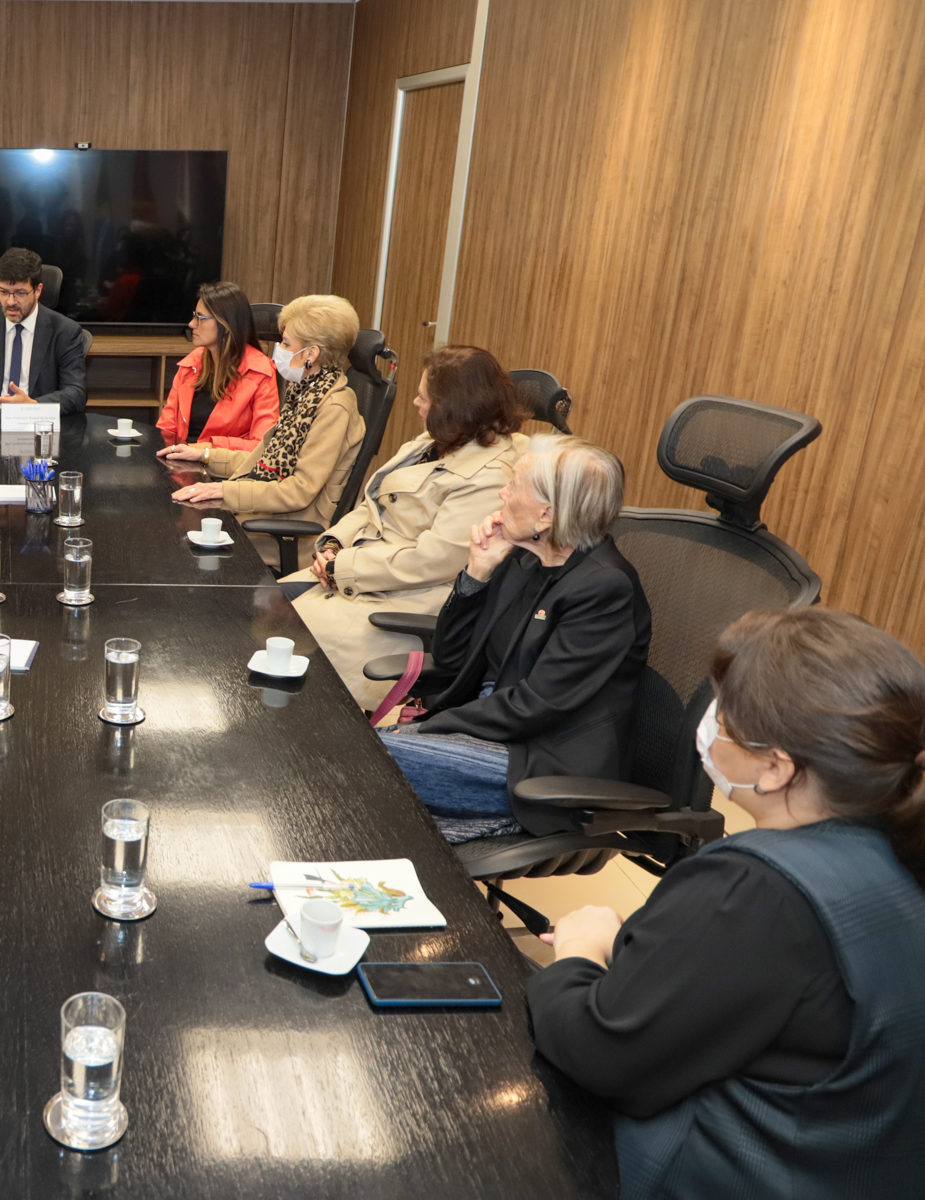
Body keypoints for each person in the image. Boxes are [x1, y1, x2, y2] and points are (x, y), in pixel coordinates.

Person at [530, 607, 925, 1198]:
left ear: (775, 767)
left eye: (726, 712)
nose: (710, 723)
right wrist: (637, 947)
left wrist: (580, 953)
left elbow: (599, 1052)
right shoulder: (894, 855)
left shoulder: (754, 891)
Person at [378, 435, 650, 841]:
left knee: (366, 761)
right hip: (487, 729)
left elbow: (534, 706)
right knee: (361, 772)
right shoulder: (525, 558)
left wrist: (432, 727)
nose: (503, 492)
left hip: (537, 763)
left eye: (515, 485)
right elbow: (453, 658)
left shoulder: (605, 588)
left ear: (547, 515)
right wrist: (476, 573)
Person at [282, 345, 524, 709]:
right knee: (257, 608)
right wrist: (333, 543)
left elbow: (431, 561)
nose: (414, 402)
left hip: (402, 599)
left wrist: (341, 569)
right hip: (358, 574)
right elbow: (371, 504)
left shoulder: (490, 476)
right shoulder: (433, 442)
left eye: (423, 397)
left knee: (286, 658)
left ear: (452, 408)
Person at [168, 294, 365, 558]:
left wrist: (224, 491)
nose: (279, 351)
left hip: (285, 532)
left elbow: (298, 492)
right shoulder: (304, 392)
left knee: (178, 542)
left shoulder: (333, 407)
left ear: (311, 354)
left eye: (286, 343)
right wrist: (204, 455)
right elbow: (260, 460)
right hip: (264, 515)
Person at [0, 246, 89, 416]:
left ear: (38, 290)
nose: (10, 301)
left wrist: (33, 405)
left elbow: (76, 392)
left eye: (20, 293)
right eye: (3, 292)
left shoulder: (65, 331)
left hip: (39, 426)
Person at [153, 281, 279, 454]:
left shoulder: (261, 372)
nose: (191, 324)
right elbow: (167, 428)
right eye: (194, 316)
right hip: (181, 462)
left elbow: (261, 445)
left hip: (224, 470)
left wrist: (206, 449)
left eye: (200, 318)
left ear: (226, 325)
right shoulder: (191, 364)